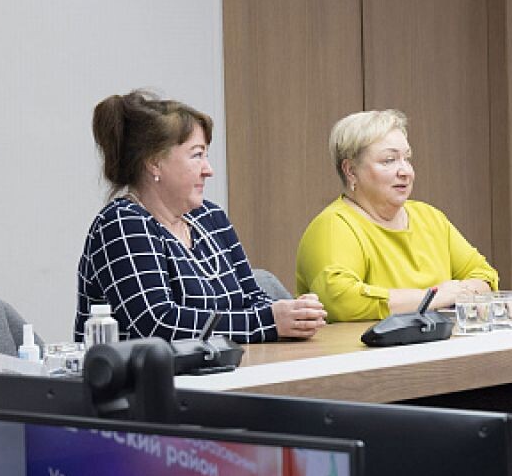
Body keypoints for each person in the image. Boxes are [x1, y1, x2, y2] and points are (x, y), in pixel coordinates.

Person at [76, 90, 326, 342]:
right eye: (197, 155)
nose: (209, 170)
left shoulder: (210, 217)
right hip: (144, 369)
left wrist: (294, 315)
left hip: (227, 364)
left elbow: (252, 297)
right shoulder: (122, 223)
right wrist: (268, 321)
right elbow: (157, 323)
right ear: (154, 163)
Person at [295, 109, 499, 321]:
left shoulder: (430, 217)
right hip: (363, 343)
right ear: (351, 171)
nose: (405, 172)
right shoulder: (333, 226)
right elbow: (341, 300)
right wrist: (434, 297)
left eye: (407, 159)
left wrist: (458, 292)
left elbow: (485, 276)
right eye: (389, 160)